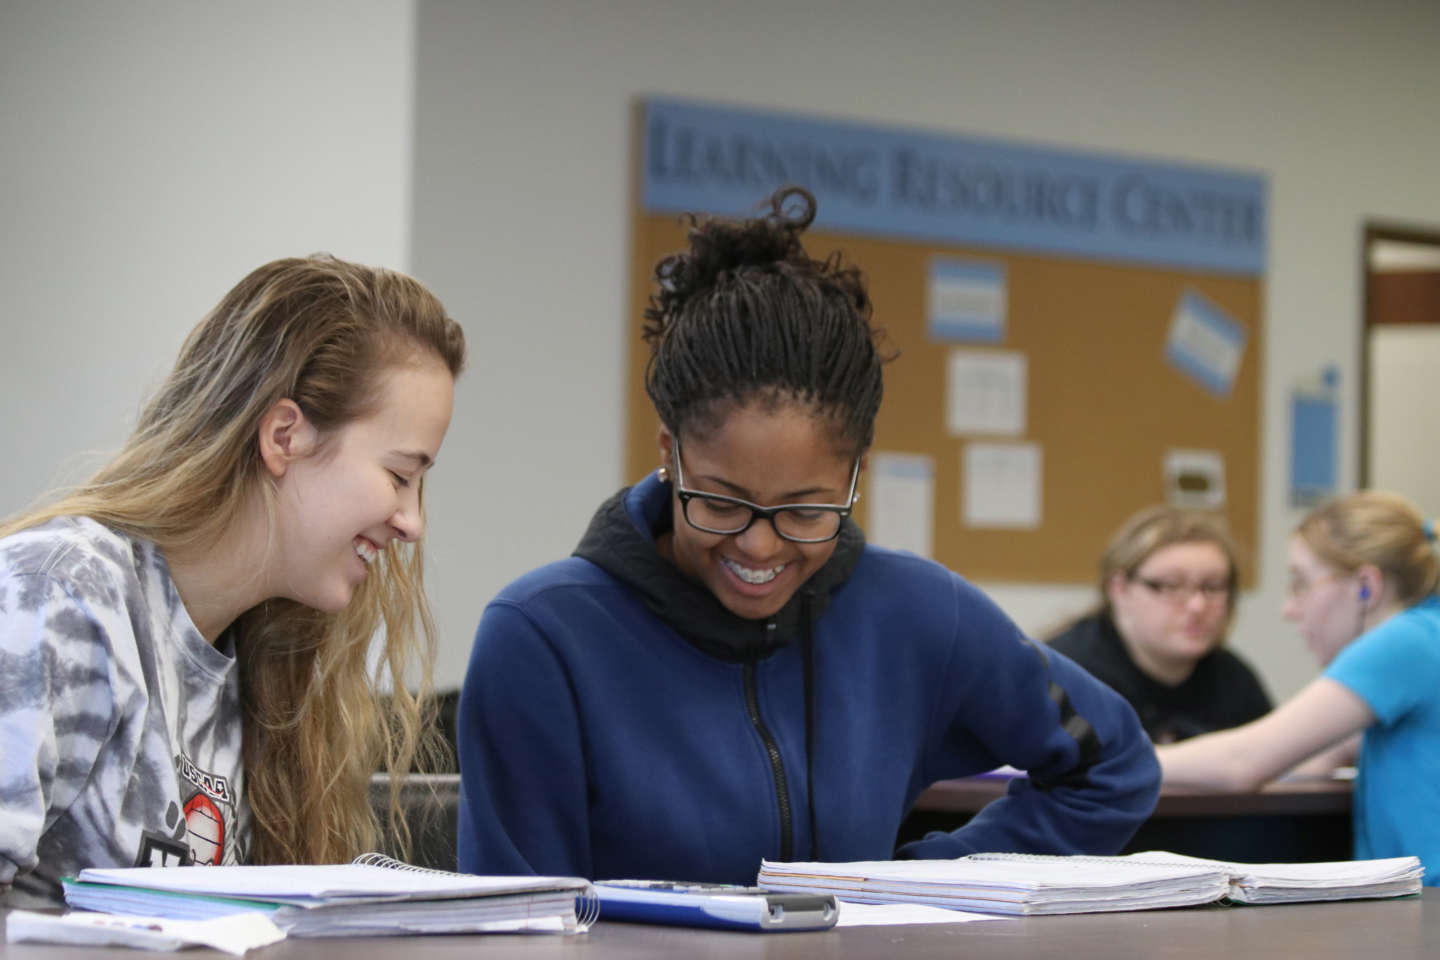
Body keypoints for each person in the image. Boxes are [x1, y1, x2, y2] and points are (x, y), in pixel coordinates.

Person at [456, 186, 1159, 885]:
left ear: (856, 477)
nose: (759, 548)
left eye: (805, 511)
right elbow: (519, 925)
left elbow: (1113, 766)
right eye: (722, 503)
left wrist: (918, 889)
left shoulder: (913, 611)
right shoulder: (545, 636)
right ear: (669, 453)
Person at [0, 255, 466, 907]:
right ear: (284, 436)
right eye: (399, 475)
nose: (412, 522)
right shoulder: (63, 592)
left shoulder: (258, 660)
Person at [1158, 491, 1440, 882]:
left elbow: (1243, 763)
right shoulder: (1430, 633)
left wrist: (1129, 760)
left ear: (1366, 586)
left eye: (1301, 583)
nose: (1289, 609)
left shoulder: (1403, 642)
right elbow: (1325, 754)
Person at [1047, 506, 1271, 743]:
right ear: (1119, 588)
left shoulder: (1234, 680)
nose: (1197, 605)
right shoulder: (1066, 674)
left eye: (1213, 587)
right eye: (1171, 586)